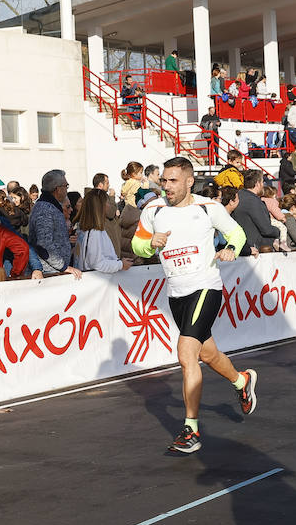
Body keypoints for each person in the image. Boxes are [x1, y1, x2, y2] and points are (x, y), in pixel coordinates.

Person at [132, 156, 256, 455]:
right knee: (207, 352)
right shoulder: (153, 209)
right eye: (164, 180)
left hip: (205, 286)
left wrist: (229, 249)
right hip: (176, 292)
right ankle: (242, 380)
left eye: (173, 180)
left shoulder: (207, 207)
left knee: (187, 353)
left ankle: (191, 429)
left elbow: (236, 234)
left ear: (189, 181)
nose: (167, 186)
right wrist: (151, 244)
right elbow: (137, 245)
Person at [28, 170, 83, 279]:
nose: (67, 189)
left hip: (55, 270)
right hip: (49, 273)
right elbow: (44, 244)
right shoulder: (44, 209)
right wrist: (63, 267)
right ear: (57, 189)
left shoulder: (51, 206)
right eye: (66, 186)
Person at [75, 190, 132, 273]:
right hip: (97, 281)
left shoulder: (83, 229)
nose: (109, 206)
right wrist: (121, 265)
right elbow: (97, 264)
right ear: (101, 206)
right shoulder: (94, 232)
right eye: (107, 202)